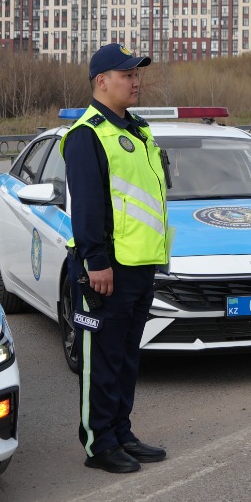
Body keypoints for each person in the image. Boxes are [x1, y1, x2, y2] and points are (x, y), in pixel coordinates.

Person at [63, 43, 170, 474]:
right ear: (102, 81)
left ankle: (121, 432)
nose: (135, 81)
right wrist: (96, 261)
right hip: (106, 269)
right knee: (101, 360)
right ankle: (99, 442)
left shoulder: (137, 130)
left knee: (126, 357)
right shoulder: (87, 134)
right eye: (127, 75)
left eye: (136, 74)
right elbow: (88, 207)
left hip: (139, 265)